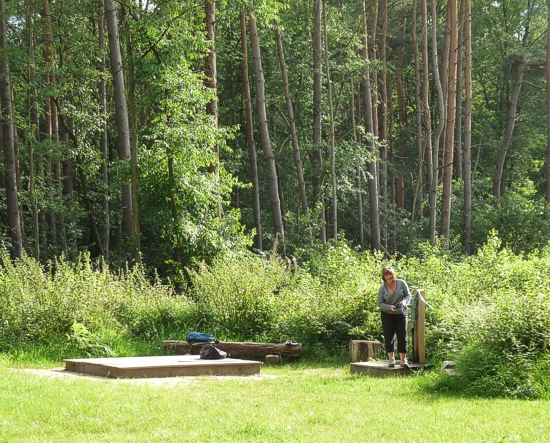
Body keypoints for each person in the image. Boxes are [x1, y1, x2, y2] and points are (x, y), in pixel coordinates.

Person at [377, 266, 411, 368]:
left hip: (401, 313)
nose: (388, 277)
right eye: (386, 275)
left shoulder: (401, 283)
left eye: (390, 274)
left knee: (402, 336)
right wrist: (389, 307)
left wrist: (404, 302)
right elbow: (380, 303)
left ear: (393, 274)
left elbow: (408, 295)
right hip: (387, 314)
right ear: (384, 277)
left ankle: (403, 360)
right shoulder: (382, 288)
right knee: (389, 336)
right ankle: (391, 359)